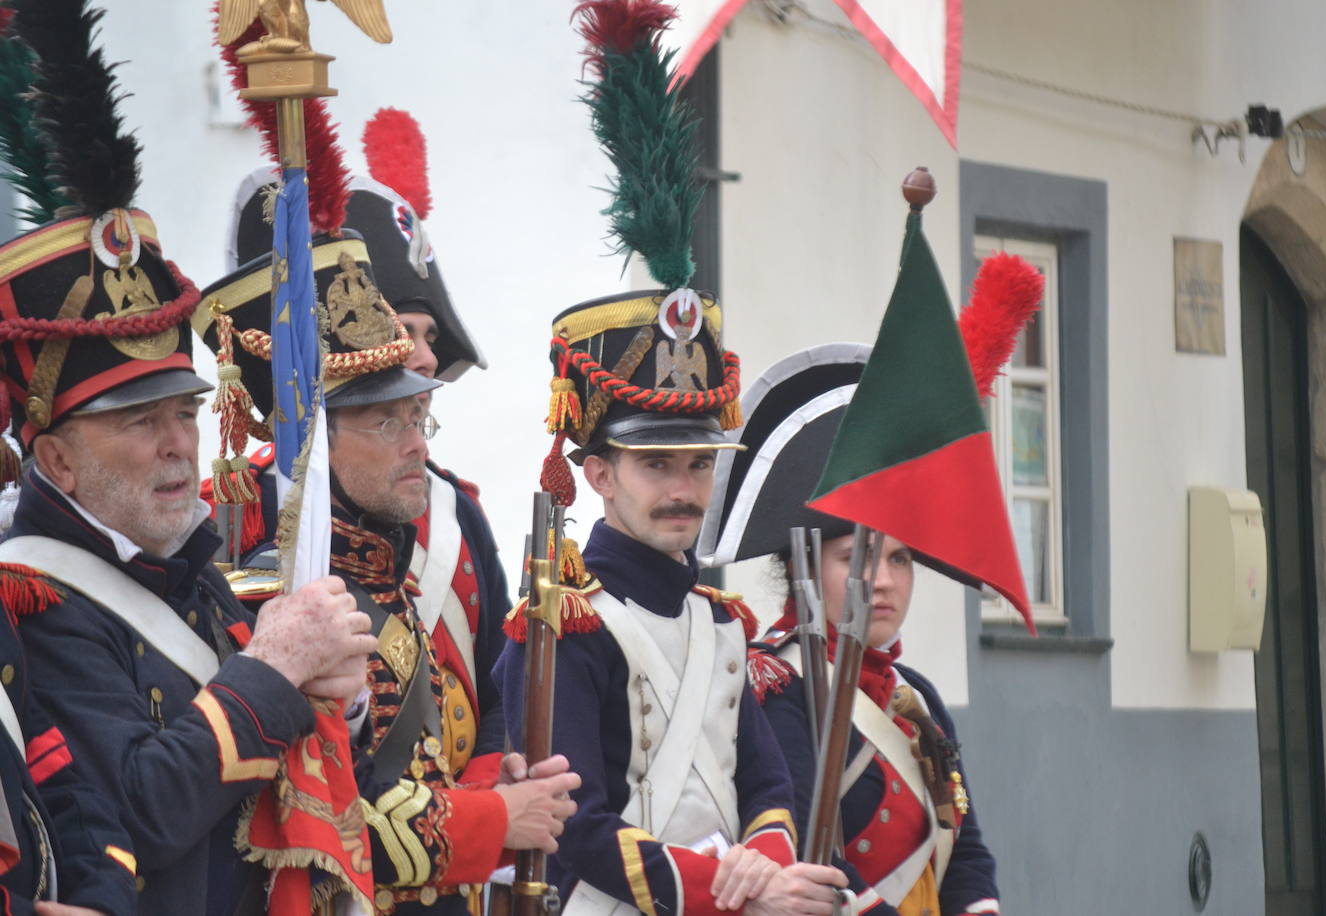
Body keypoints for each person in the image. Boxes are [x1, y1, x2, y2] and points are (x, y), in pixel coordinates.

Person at [0, 3, 376, 912]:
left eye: (182, 411)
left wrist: (339, 697)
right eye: (138, 423)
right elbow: (142, 808)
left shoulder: (190, 565)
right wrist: (277, 668)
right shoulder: (34, 596)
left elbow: (276, 768)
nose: (177, 443)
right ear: (54, 457)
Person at [497, 5, 847, 914]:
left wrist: (762, 861)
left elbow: (767, 786)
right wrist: (733, 890)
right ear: (599, 472)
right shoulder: (559, 628)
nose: (684, 487)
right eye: (658, 467)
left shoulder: (724, 624)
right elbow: (575, 827)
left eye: (697, 463)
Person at [198, 227, 578, 915]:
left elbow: (470, 715)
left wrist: (499, 786)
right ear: (317, 437)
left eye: (418, 417)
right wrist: (498, 818)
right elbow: (330, 819)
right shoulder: (281, 599)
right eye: (385, 423)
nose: (414, 445)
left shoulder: (382, 568)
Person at [697, 344, 1001, 916]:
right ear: (803, 566)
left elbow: (966, 851)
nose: (880, 581)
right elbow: (817, 865)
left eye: (899, 559)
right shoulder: (777, 686)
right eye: (853, 558)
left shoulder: (918, 698)